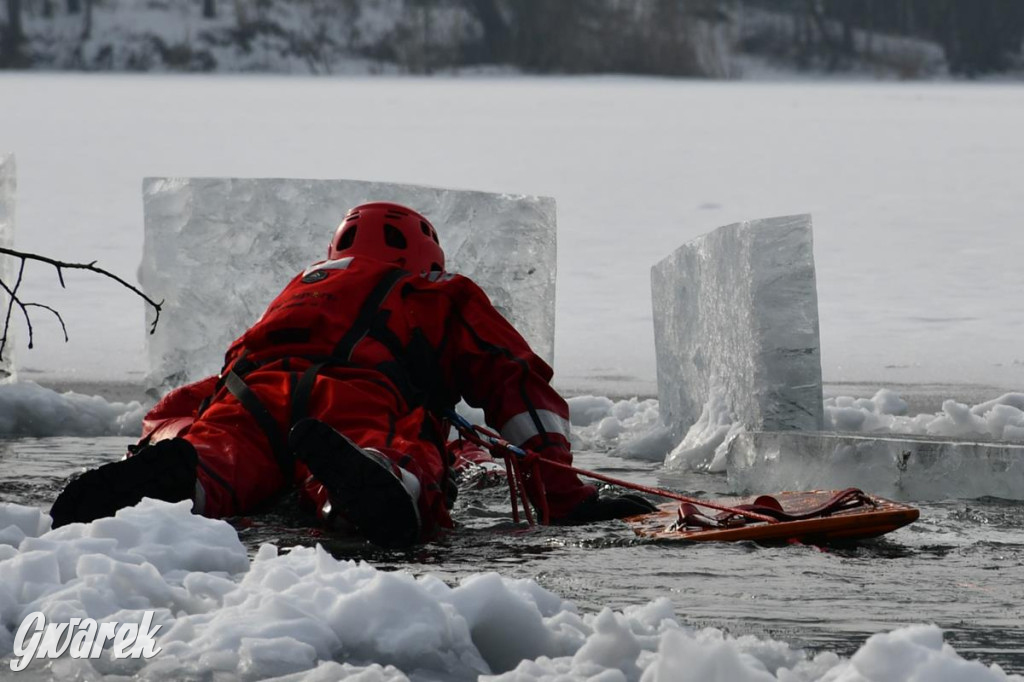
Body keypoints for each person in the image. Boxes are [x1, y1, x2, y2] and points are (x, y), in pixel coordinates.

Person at [50, 202, 654, 547]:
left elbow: (199, 393)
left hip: (249, 393)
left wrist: (161, 440)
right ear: (426, 258)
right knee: (384, 454)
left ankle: (183, 477)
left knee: (221, 453)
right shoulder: (435, 288)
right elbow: (513, 378)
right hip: (358, 394)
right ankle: (373, 479)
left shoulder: (299, 292)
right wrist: (562, 492)